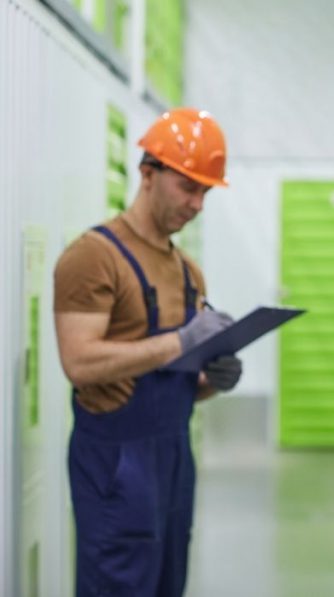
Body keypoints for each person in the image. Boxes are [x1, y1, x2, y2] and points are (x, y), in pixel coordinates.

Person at [53, 107, 243, 597]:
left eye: (205, 191)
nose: (197, 203)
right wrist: (181, 341)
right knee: (117, 582)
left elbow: (176, 378)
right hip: (116, 462)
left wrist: (211, 381)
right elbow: (79, 362)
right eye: (188, 186)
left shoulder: (189, 271)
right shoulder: (94, 257)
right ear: (147, 174)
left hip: (174, 452)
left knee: (166, 582)